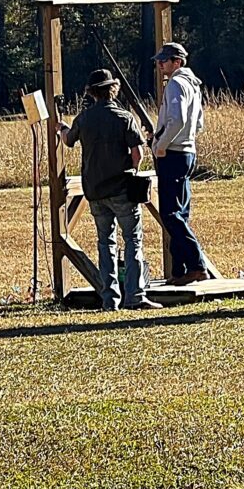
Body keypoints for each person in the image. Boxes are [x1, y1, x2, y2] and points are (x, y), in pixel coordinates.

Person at [60, 69, 161, 311]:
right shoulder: (124, 117)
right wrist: (133, 171)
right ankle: (135, 295)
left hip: (95, 191)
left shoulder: (83, 119)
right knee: (132, 241)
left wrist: (60, 127)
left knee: (105, 244)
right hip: (123, 189)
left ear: (91, 92)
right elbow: (137, 153)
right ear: (112, 89)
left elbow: (68, 140)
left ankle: (109, 299)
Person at [152, 42, 209, 285]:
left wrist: (160, 145)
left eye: (165, 60)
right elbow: (198, 124)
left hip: (173, 154)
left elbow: (177, 120)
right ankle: (180, 270)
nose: (160, 64)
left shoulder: (175, 83)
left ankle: (196, 265)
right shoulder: (193, 85)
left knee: (171, 214)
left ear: (178, 62)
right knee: (180, 214)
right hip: (187, 152)